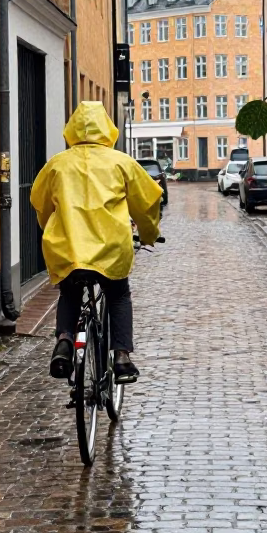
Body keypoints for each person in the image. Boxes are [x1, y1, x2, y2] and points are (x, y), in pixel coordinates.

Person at [30, 101, 163, 385]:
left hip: (69, 250)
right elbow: (147, 204)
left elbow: (40, 205)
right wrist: (149, 234)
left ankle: (64, 341)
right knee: (118, 295)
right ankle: (122, 357)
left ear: (73, 128)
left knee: (69, 292)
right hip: (110, 251)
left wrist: (50, 230)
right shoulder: (121, 163)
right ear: (107, 127)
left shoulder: (57, 164)